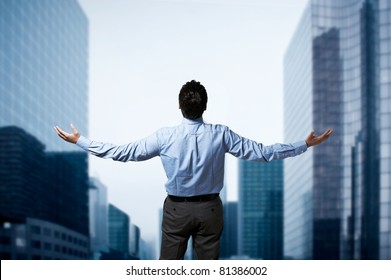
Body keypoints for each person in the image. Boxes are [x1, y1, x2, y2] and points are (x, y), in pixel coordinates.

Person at [54, 80, 333, 260]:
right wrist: (303, 144)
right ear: (205, 106)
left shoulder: (164, 136)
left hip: (176, 211)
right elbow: (263, 152)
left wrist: (81, 141)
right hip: (210, 209)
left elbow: (122, 153)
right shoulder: (221, 134)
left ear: (179, 106)